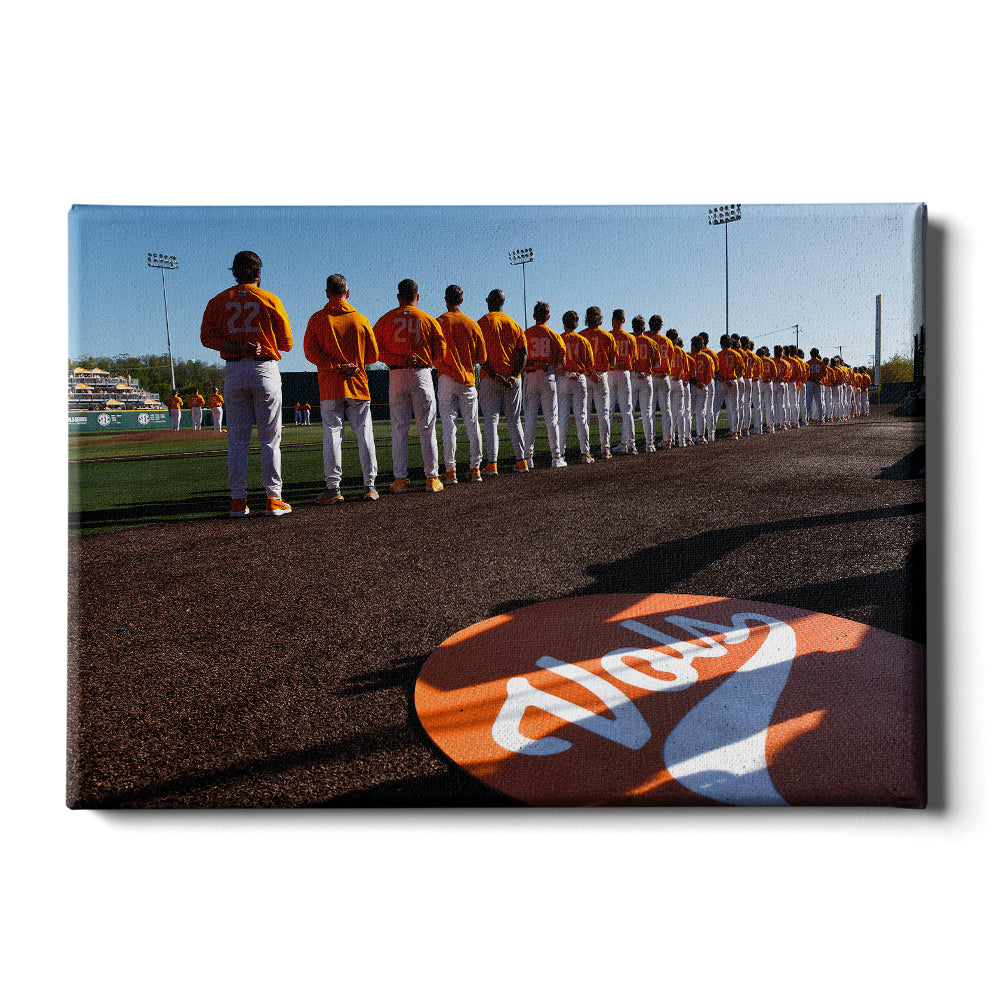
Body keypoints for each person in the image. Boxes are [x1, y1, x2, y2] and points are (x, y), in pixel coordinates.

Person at [199, 249, 293, 516]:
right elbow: (286, 343)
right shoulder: (270, 298)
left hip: (234, 371)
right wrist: (263, 345)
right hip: (264, 370)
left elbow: (206, 338)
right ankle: (273, 499)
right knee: (270, 439)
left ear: (234, 271)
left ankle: (238, 500)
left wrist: (231, 344)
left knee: (237, 440)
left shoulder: (218, 300)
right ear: (259, 273)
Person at [303, 272, 379, 503]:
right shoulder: (361, 319)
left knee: (333, 437)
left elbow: (310, 353)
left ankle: (333, 488)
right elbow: (374, 355)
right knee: (365, 436)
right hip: (358, 385)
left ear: (327, 293)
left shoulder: (317, 319)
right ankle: (370, 487)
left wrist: (335, 365)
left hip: (330, 387)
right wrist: (353, 364)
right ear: (348, 293)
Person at [372, 278, 446, 493]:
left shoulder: (386, 319)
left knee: (399, 429)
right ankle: (432, 478)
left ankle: (400, 480)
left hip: (396, 375)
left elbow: (374, 351)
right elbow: (441, 352)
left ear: (398, 297)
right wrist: (426, 360)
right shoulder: (429, 319)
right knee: (427, 428)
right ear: (418, 296)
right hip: (421, 374)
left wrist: (396, 358)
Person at [436, 284, 487, 483]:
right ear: (462, 300)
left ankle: (451, 471)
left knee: (449, 426)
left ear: (446, 300)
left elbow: (435, 354)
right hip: (467, 379)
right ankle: (475, 469)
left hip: (446, 378)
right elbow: (481, 357)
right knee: (473, 425)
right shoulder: (472, 324)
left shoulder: (439, 321)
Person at [478, 288, 529, 475]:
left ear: (488, 302)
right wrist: (514, 376)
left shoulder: (482, 323)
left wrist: (494, 375)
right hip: (512, 380)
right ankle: (521, 461)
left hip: (490, 379)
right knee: (514, 420)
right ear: (502, 303)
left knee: (491, 421)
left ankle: (492, 465)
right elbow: (524, 353)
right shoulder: (513, 323)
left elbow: (480, 356)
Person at [522, 301, 567, 468]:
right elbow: (562, 362)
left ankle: (527, 458)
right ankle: (556, 457)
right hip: (547, 377)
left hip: (530, 376)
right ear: (548, 317)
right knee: (552, 419)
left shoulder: (526, 334)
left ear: (534, 316)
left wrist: (534, 363)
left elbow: (520, 360)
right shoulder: (554, 335)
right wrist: (549, 365)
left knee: (530, 419)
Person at [555, 309, 595, 463]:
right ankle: (585, 453)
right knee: (581, 418)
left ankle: (560, 454)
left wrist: (566, 374)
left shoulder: (559, 338)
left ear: (564, 323)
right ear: (577, 324)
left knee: (562, 418)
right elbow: (590, 365)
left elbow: (556, 364)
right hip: (579, 378)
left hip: (564, 379)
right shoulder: (583, 340)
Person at [580, 306, 617, 459]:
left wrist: (589, 372)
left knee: (584, 415)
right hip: (601, 376)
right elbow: (613, 362)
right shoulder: (607, 336)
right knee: (604, 415)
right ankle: (605, 449)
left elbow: (578, 360)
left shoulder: (581, 335)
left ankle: (585, 451)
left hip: (585, 377)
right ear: (600, 318)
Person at [608, 309, 637, 454]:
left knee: (608, 410)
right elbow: (634, 359)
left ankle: (605, 446)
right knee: (627, 410)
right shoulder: (630, 338)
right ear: (624, 321)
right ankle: (630, 444)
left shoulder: (608, 335)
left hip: (610, 373)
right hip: (625, 373)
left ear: (612, 319)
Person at [632, 316, 657, 451]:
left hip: (633, 377)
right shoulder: (651, 342)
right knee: (647, 412)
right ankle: (650, 443)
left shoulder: (631, 340)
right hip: (647, 378)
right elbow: (657, 363)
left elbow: (627, 361)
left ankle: (629, 444)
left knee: (629, 412)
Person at [648, 315, 672, 449]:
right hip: (664, 377)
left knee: (649, 411)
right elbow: (671, 358)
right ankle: (667, 440)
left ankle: (650, 441)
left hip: (652, 376)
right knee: (666, 410)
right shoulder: (667, 341)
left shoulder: (649, 340)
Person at [806, 348, 826, 424]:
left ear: (810, 354)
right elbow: (824, 373)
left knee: (808, 401)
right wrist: (817, 378)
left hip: (810, 382)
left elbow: (806, 374)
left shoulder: (808, 363)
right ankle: (820, 419)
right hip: (817, 382)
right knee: (819, 401)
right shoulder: (821, 363)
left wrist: (812, 378)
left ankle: (806, 419)